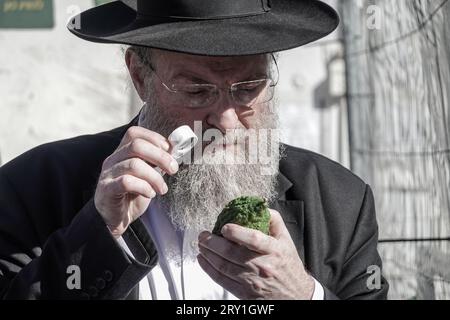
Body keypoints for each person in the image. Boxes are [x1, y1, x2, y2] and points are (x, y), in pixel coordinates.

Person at [0, 0, 388, 300]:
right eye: (197, 91)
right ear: (139, 75)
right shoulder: (33, 187)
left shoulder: (341, 202)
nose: (227, 121)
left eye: (248, 89)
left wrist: (302, 294)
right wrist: (101, 236)